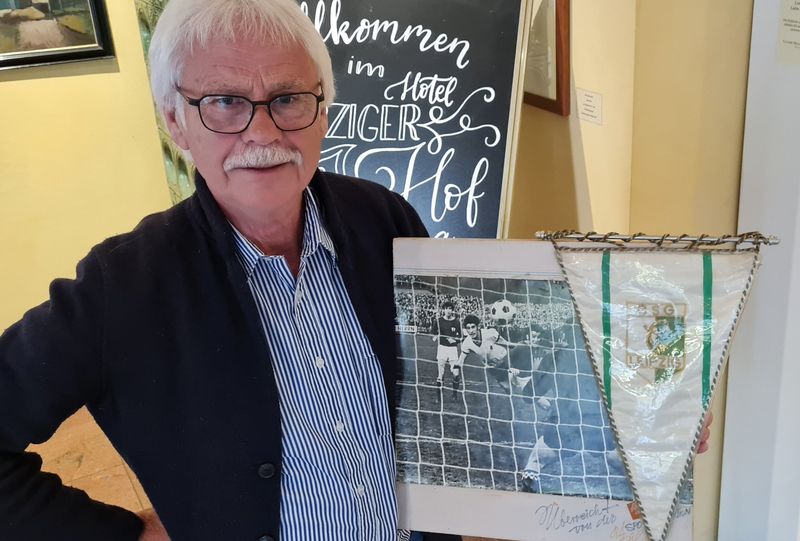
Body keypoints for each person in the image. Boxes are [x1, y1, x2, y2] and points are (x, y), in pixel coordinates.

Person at [0, 1, 458, 540]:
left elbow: (446, 377)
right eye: (223, 101)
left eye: (287, 98)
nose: (262, 133)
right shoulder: (123, 285)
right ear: (176, 121)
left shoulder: (385, 218)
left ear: (323, 109)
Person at [431, 301, 462, 388]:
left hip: (453, 349)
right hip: (442, 348)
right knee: (440, 373)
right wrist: (436, 336)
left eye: (450, 309)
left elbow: (461, 336)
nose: (448, 310)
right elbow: (433, 331)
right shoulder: (439, 321)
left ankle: (455, 392)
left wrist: (455, 340)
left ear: (452, 310)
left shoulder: (456, 322)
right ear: (443, 310)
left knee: (455, 373)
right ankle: (439, 393)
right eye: (446, 308)